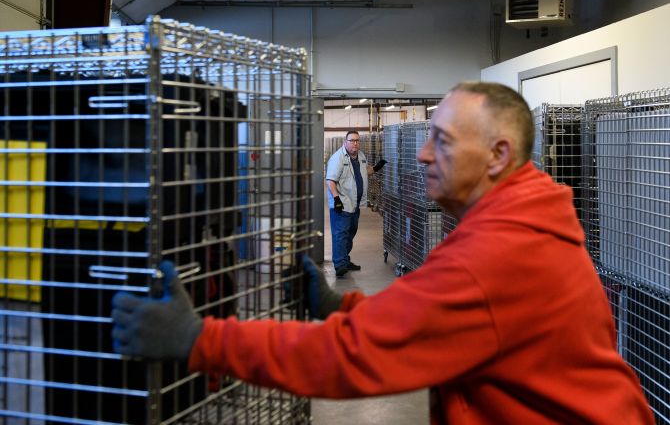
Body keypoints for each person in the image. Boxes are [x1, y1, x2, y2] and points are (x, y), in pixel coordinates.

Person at [111, 82, 654, 424]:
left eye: (440, 140)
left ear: (498, 154)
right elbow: (429, 323)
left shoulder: (498, 254)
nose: (420, 155)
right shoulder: (524, 221)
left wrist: (200, 339)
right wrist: (337, 307)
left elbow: (354, 357)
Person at [325, 131, 386, 277]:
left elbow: (364, 172)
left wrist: (376, 168)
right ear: (345, 142)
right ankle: (339, 265)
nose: (355, 143)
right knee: (340, 234)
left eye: (357, 140)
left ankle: (344, 260)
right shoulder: (338, 158)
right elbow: (330, 181)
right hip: (342, 204)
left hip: (355, 204)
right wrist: (337, 199)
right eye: (352, 140)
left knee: (350, 233)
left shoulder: (361, 156)